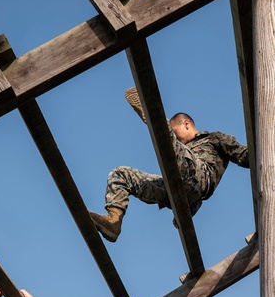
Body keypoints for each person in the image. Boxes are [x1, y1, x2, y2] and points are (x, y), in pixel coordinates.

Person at [87, 87, 249, 242]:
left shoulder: (213, 138)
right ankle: (113, 222)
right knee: (121, 174)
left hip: (200, 176)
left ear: (186, 124)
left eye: (174, 130)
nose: (176, 137)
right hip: (175, 186)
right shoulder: (181, 149)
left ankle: (152, 114)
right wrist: (184, 213)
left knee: (178, 150)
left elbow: (243, 156)